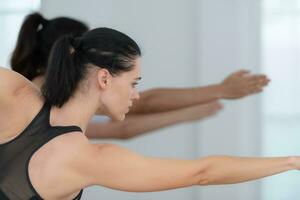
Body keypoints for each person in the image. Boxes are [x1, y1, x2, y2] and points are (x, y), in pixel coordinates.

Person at [0, 27, 298, 200]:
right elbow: (202, 172)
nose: (136, 94)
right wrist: (290, 161)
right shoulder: (89, 159)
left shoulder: (17, 94)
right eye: (133, 83)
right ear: (104, 79)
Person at [10, 13, 270, 140]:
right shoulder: (39, 94)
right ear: (69, 51)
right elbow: (138, 110)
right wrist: (219, 91)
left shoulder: (50, 93)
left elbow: (126, 120)